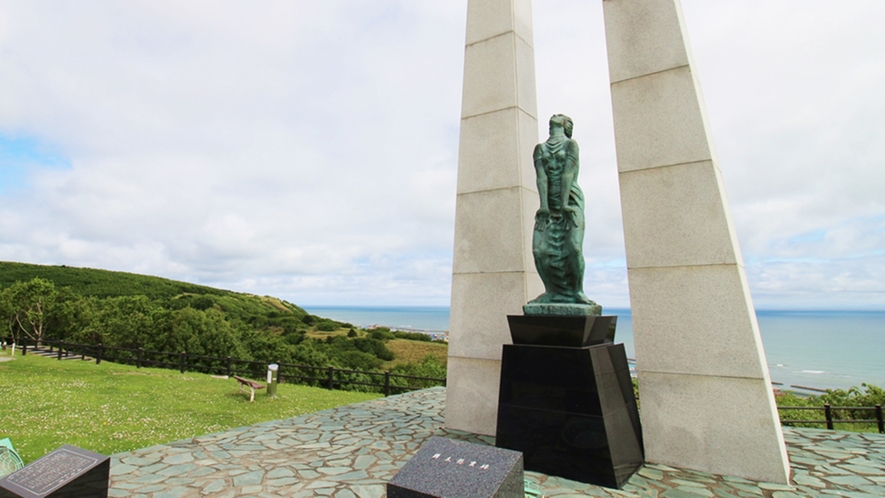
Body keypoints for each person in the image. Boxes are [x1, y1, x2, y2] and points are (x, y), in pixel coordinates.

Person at [529, 114, 593, 305]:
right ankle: (551, 292)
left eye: (560, 117)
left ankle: (577, 292)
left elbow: (568, 173)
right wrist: (543, 206)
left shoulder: (571, 145)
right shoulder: (540, 148)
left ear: (566, 125)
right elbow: (541, 177)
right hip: (548, 206)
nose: (555, 116)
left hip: (571, 201)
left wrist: (564, 204)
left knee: (573, 247)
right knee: (540, 251)